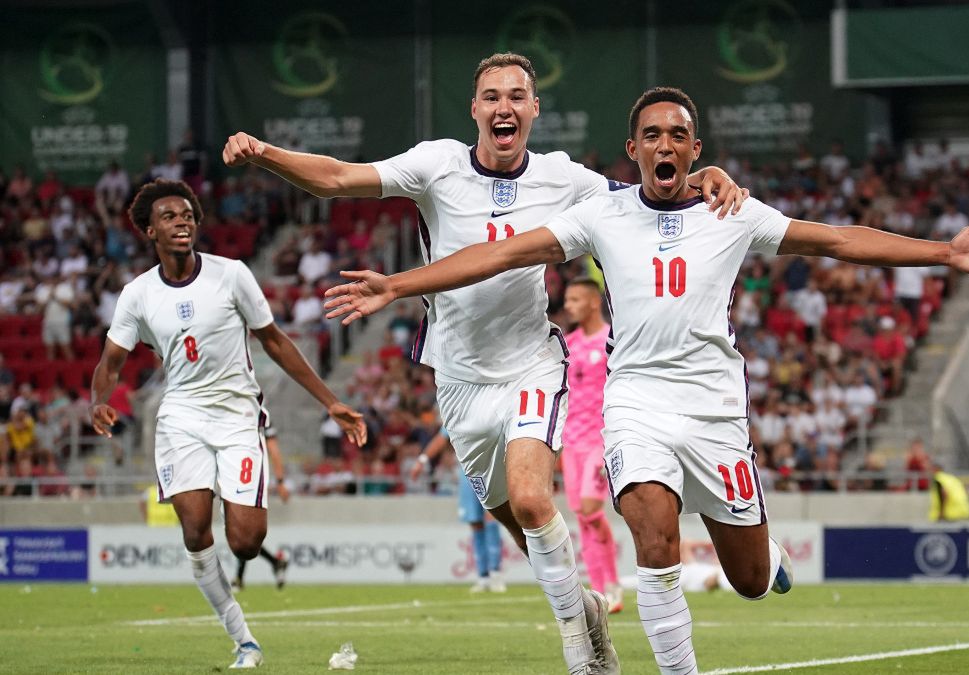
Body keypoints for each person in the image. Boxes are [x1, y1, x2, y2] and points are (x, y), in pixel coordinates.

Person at [322, 86, 969, 673]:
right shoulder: (602, 213)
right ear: (634, 151)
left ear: (696, 151)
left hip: (716, 412)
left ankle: (766, 550)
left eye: (678, 135)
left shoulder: (732, 211)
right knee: (651, 532)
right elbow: (501, 255)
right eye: (651, 134)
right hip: (637, 405)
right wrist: (400, 284)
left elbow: (839, 238)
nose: (664, 144)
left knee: (749, 580)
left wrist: (944, 251)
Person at [224, 53, 743, 675]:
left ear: (533, 110)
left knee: (530, 498)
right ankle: (582, 604)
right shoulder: (436, 165)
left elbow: (655, 197)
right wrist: (265, 154)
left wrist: (708, 174)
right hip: (460, 378)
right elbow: (336, 177)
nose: (505, 106)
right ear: (475, 109)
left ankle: (579, 642)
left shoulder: (563, 177)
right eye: (492, 96)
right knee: (515, 519)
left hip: (531, 363)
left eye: (517, 96)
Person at [89, 179, 366, 669]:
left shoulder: (232, 275)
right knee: (195, 532)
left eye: (188, 215)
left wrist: (330, 402)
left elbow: (275, 341)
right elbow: (111, 360)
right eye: (170, 217)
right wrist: (98, 400)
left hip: (237, 415)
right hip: (181, 417)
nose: (182, 222)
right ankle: (244, 641)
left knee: (245, 541)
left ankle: (238, 527)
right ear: (150, 230)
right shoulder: (137, 295)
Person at [561, 278, 622, 613]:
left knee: (590, 509)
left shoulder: (613, 340)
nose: (568, 305)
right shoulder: (568, 345)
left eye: (575, 299)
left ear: (592, 302)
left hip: (600, 440)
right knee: (581, 517)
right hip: (571, 443)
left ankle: (611, 582)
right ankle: (601, 591)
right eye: (567, 299)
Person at [410, 427, 506, 593]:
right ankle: (483, 577)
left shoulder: (490, 405)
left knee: (491, 518)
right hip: (467, 471)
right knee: (475, 522)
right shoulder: (458, 409)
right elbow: (441, 437)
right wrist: (422, 460)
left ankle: (496, 574)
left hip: (491, 467)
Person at [233, 420, 291, 591]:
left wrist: (280, 482)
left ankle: (239, 578)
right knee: (242, 533)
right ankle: (276, 563)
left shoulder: (260, 417)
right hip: (235, 479)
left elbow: (274, 450)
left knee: (242, 531)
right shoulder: (254, 412)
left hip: (251, 481)